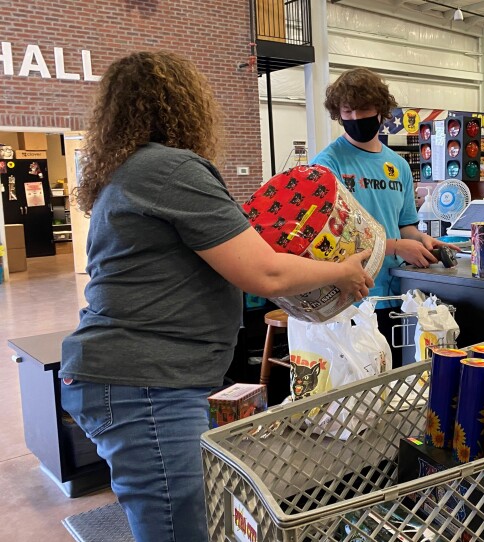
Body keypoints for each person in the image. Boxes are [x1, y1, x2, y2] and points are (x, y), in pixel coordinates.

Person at [59, 51, 373, 542]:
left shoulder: (131, 172)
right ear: (185, 105)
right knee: (180, 528)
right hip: (146, 383)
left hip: (145, 378)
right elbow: (264, 272)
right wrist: (342, 270)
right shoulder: (170, 170)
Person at [313, 67, 452, 366]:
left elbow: (406, 226)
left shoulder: (398, 166)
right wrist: (397, 247)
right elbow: (334, 241)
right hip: (350, 300)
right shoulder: (326, 165)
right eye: (346, 111)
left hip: (393, 297)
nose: (353, 119)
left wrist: (425, 241)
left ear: (381, 110)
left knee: (394, 382)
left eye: (362, 109)